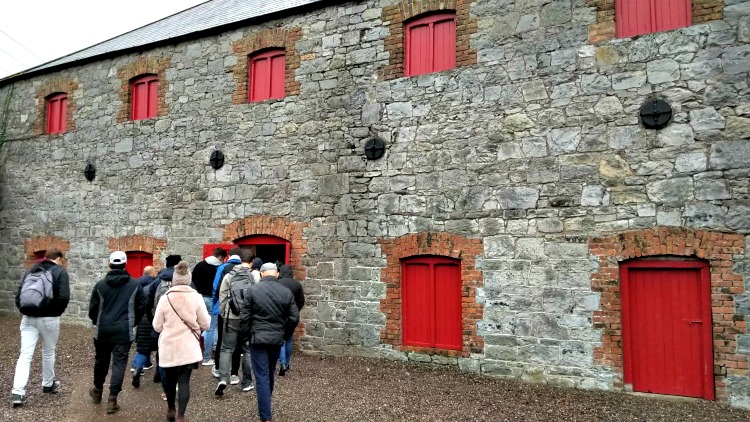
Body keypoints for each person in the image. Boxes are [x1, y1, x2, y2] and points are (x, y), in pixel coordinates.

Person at [88, 251, 147, 414]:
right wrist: (132, 322)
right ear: (125, 264)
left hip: (103, 330)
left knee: (101, 361)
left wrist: (97, 321)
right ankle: (112, 398)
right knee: (119, 363)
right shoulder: (135, 285)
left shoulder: (100, 285)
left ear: (110, 264)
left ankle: (98, 389)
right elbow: (141, 307)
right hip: (123, 331)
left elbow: (92, 310)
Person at [239, 263, 299, 422]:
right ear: (277, 274)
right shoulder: (285, 292)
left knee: (262, 375)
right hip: (276, 338)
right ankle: (266, 406)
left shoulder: (252, 290)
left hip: (257, 338)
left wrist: (244, 336)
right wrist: (285, 334)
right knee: (269, 372)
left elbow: (244, 317)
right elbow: (294, 317)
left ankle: (266, 416)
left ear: (262, 273)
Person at [11, 248, 70, 407]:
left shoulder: (32, 269)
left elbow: (18, 294)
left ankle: (18, 392)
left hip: (28, 317)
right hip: (49, 318)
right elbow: (64, 296)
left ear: (45, 257)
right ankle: (48, 384)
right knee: (48, 351)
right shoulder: (60, 272)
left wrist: (24, 309)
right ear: (58, 258)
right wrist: (55, 312)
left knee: (25, 355)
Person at [153, 261, 210, 422]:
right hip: (188, 347)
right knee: (184, 381)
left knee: (169, 380)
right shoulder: (196, 298)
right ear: (188, 279)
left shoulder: (165, 298)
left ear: (175, 279)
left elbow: (157, 326)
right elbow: (205, 323)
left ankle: (171, 407)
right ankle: (181, 416)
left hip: (169, 347)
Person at [215, 248, 256, 396]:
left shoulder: (228, 276)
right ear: (251, 261)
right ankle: (246, 383)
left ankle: (222, 379)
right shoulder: (254, 277)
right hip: (247, 319)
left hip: (230, 318)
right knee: (247, 350)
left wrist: (224, 313)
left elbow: (222, 297)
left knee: (226, 349)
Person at [192, 247, 227, 365]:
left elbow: (193, 280)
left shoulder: (200, 265)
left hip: (200, 298)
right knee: (213, 327)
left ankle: (203, 351)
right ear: (221, 257)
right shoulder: (219, 268)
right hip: (212, 298)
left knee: (202, 326)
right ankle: (209, 355)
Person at [211, 248, 242, 379]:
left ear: (229, 256)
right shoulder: (245, 270)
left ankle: (218, 368)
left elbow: (216, 288)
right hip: (240, 311)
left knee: (222, 343)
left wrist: (216, 306)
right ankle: (234, 373)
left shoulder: (223, 268)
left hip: (224, 310)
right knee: (238, 343)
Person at [131, 266, 159, 387]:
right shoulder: (156, 286)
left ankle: (138, 367)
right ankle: (159, 374)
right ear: (153, 274)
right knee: (159, 348)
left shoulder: (136, 285)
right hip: (153, 319)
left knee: (143, 347)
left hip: (141, 320)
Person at [276, 264, 305, 376]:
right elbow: (301, 301)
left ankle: (282, 363)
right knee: (288, 339)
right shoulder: (297, 284)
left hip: (280, 315)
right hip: (292, 316)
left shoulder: (277, 284)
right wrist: (295, 311)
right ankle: (287, 363)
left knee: (280, 339)